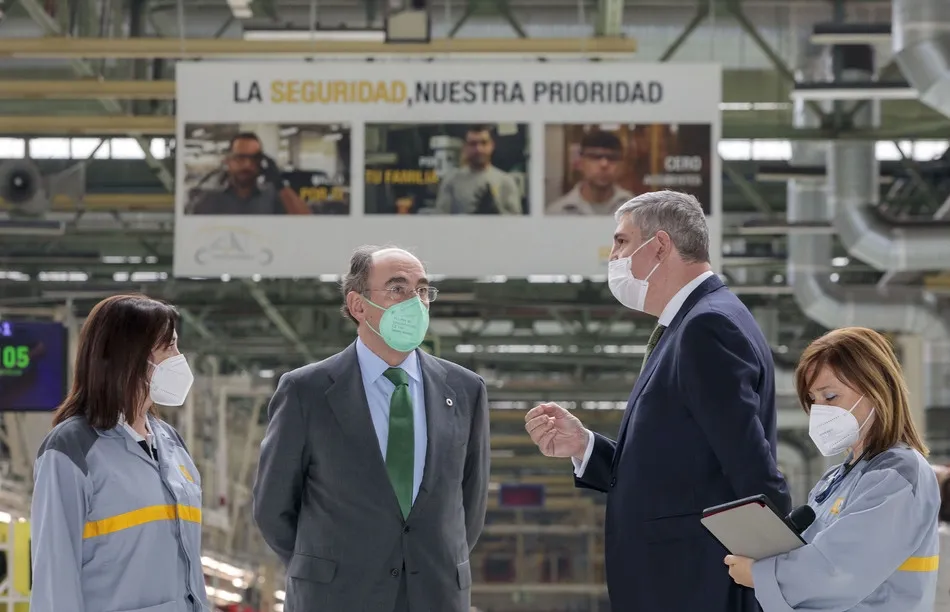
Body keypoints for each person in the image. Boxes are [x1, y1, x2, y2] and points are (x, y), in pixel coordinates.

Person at [524, 189, 790, 612]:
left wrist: (771, 580)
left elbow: (753, 472)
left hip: (695, 585)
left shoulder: (707, 328)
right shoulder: (693, 324)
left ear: (660, 245)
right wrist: (585, 446)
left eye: (621, 242)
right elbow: (680, 469)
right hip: (682, 581)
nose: (612, 255)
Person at [252, 245, 491, 612]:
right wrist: (323, 564)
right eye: (398, 288)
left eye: (423, 290)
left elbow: (469, 505)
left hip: (436, 593)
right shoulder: (306, 391)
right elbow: (273, 507)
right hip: (335, 596)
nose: (416, 301)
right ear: (358, 305)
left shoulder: (465, 390)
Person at [724, 326, 940, 611]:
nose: (819, 411)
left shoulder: (898, 475)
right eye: (813, 400)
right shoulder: (837, 478)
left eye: (830, 397)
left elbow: (838, 571)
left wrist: (760, 574)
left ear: (877, 390)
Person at [30, 294, 208, 612]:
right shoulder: (72, 449)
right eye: (168, 347)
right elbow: (55, 578)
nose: (179, 358)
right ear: (130, 355)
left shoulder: (171, 444)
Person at [189, 131, 309, 215]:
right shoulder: (209, 199)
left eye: (254, 159)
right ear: (228, 161)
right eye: (240, 158)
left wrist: (279, 184)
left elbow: (305, 222)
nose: (247, 165)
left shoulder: (271, 197)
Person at [434, 124, 522, 215]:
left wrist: (497, 212)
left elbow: (516, 223)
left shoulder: (506, 182)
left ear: (491, 146)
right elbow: (441, 220)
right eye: (473, 144)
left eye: (484, 143)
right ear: (465, 147)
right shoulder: (451, 181)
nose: (478, 149)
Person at [546, 130, 633, 215]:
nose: (604, 164)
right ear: (580, 163)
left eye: (612, 158)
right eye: (594, 157)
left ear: (621, 166)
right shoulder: (557, 212)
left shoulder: (636, 210)